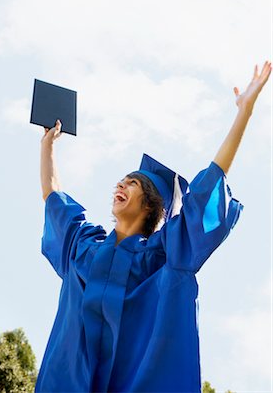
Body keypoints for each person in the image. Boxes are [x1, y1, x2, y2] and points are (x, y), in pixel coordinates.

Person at [35, 61, 271, 393]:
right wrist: (48, 145)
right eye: (121, 180)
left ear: (150, 204)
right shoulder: (83, 248)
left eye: (132, 183)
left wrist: (243, 112)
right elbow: (53, 196)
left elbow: (208, 187)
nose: (121, 184)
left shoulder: (163, 256)